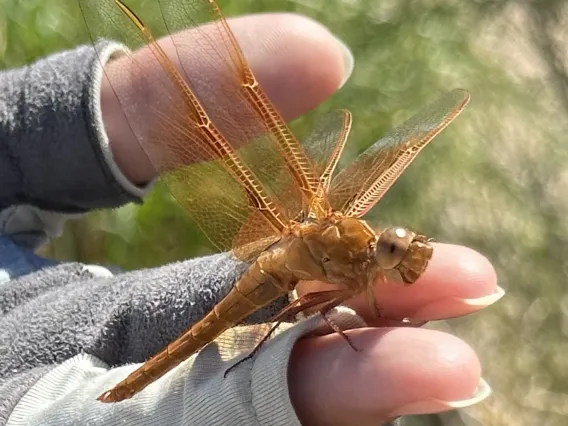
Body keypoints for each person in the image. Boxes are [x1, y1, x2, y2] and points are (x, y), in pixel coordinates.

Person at [0, 12, 502, 426]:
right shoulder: (343, 251)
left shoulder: (359, 255)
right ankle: (145, 381)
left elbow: (333, 297)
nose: (403, 250)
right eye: (398, 248)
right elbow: (326, 305)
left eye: (401, 246)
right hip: (268, 275)